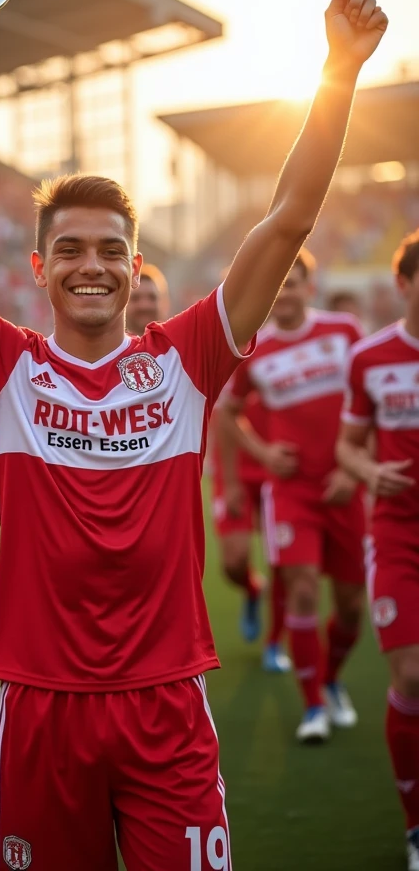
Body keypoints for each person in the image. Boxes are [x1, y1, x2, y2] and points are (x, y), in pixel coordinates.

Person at [0, 0, 386, 868]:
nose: (90, 266)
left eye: (109, 250)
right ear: (39, 266)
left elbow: (288, 216)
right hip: (41, 708)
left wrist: (336, 75)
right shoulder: (3, 366)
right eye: (69, 248)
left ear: (135, 266)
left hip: (166, 704)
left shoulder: (187, 358)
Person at [220, 250, 366, 743]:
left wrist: (355, 468)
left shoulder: (344, 332)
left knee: (349, 607)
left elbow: (372, 405)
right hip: (292, 493)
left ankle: (330, 680)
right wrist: (262, 454)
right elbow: (228, 412)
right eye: (276, 285)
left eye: (292, 283)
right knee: (302, 586)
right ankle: (312, 709)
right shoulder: (253, 348)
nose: (283, 294)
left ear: (310, 286)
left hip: (345, 488)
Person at [337, 230, 419, 871]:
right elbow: (349, 445)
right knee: (413, 677)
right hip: (396, 533)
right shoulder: (371, 357)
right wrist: (369, 474)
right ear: (404, 284)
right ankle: (416, 826)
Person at [211, 390, 290, 671]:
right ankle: (253, 589)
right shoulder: (231, 352)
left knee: (284, 562)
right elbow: (223, 417)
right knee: (234, 562)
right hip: (234, 472)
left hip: (278, 467)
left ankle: (273, 643)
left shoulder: (281, 351)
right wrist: (231, 481)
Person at [125, 264, 170, 335]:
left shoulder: (181, 344)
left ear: (165, 303)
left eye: (152, 297)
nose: (144, 306)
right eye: (135, 298)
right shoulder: (108, 345)